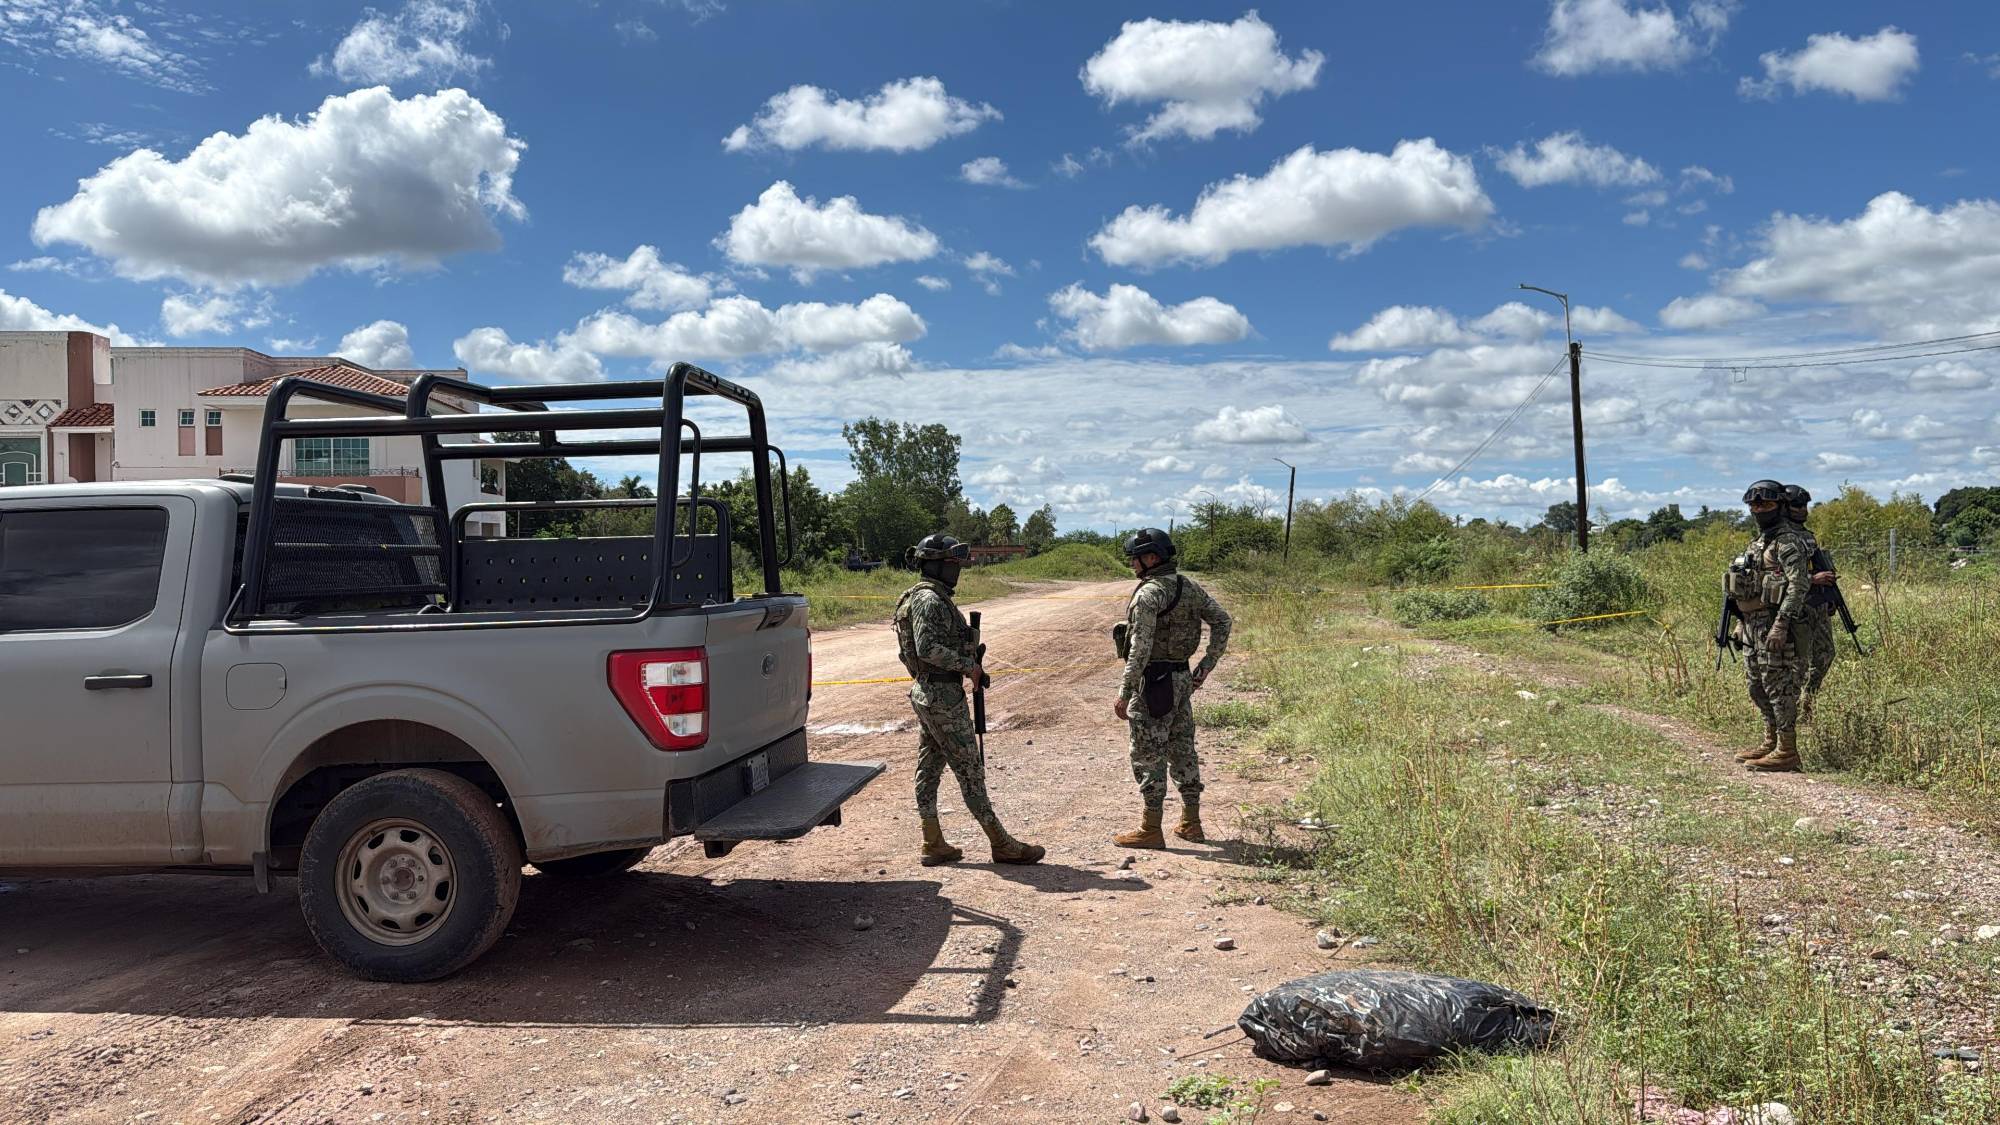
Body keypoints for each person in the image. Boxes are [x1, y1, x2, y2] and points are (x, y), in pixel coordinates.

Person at [893, 533, 1044, 866]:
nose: (957, 570)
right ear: (935, 564)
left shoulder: (926, 596)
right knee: (970, 770)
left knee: (929, 767)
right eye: (951, 563)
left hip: (931, 692)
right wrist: (967, 666)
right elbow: (927, 649)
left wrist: (971, 664)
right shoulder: (930, 600)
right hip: (942, 697)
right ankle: (1001, 843)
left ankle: (933, 842)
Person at [1110, 527, 1231, 847]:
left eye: (1136, 559)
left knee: (1148, 753)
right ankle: (1191, 822)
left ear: (1152, 558)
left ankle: (1150, 828)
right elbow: (1222, 620)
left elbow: (1140, 649)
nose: (1133, 565)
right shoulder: (1189, 587)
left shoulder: (1149, 594)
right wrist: (1206, 665)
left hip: (1152, 684)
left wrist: (1125, 692)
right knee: (1182, 750)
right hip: (1181, 679)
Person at [1728, 481, 1813, 772]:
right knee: (1756, 687)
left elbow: (1798, 585)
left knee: (1779, 688)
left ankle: (1787, 750)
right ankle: (1771, 741)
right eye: (1753, 505)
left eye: (1764, 504)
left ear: (1779, 506)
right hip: (1752, 625)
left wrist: (1780, 624)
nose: (1758, 510)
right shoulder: (1758, 543)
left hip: (1775, 625)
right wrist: (1741, 624)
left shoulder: (1788, 542)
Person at [1783, 484, 1840, 712]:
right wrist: (1812, 578)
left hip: (1816, 604)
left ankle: (1808, 701)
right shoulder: (1778, 538)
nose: (1803, 510)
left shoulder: (1807, 537)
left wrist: (1830, 597)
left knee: (1826, 653)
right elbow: (1773, 575)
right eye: (1797, 505)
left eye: (1805, 505)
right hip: (1794, 606)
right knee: (1798, 662)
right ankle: (1789, 710)